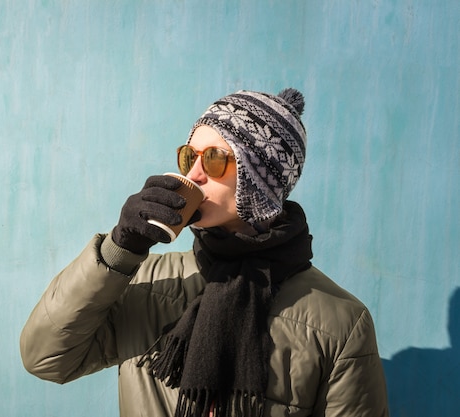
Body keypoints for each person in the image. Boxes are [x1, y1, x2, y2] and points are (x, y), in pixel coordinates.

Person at [20, 88, 389, 417]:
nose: (193, 175)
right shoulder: (148, 279)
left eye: (214, 159)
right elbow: (48, 359)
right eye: (188, 157)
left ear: (260, 183)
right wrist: (119, 249)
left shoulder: (341, 322)